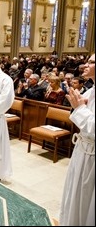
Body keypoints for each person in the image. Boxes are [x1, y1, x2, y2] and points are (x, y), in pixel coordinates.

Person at [59, 54, 95, 226]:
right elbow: (78, 113)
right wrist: (78, 106)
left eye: (92, 62)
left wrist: (80, 107)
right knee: (75, 193)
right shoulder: (91, 90)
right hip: (83, 148)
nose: (86, 65)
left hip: (92, 154)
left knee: (87, 197)